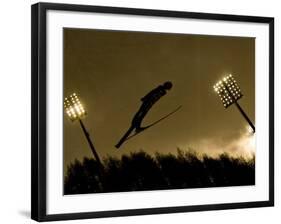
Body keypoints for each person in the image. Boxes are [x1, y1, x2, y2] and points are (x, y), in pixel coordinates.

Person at [115, 81, 173, 148]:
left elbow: (156, 97)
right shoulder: (160, 88)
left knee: (143, 114)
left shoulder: (163, 92)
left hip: (150, 103)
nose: (168, 88)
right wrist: (145, 98)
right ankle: (135, 125)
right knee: (141, 113)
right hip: (147, 101)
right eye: (168, 86)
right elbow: (152, 92)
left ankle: (137, 126)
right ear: (166, 85)